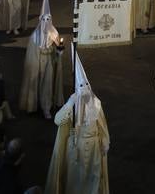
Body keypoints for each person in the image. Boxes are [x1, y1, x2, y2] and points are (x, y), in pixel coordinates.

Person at [45, 49, 110, 194]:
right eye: (81, 87)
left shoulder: (96, 103)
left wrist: (105, 140)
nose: (84, 90)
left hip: (94, 147)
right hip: (76, 149)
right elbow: (57, 120)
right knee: (76, 181)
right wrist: (70, 103)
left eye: (86, 86)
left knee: (93, 178)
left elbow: (102, 125)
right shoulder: (73, 106)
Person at [18, 0, 65, 119]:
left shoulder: (54, 34)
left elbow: (58, 51)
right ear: (40, 20)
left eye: (48, 19)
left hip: (49, 62)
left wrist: (59, 51)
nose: (46, 22)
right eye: (43, 19)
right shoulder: (35, 36)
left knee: (47, 85)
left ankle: (46, 107)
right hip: (37, 62)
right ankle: (34, 104)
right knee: (35, 83)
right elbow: (31, 54)